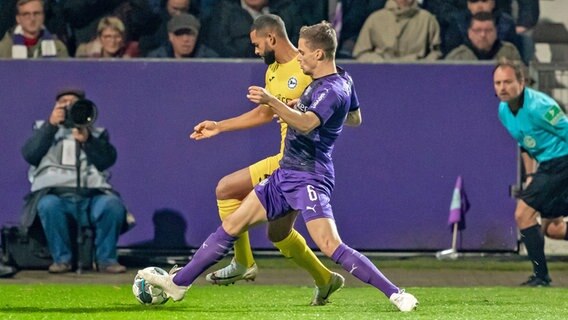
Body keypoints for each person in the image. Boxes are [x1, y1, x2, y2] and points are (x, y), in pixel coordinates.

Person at [140, 21, 418, 312]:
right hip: (285, 172)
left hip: (309, 176)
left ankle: (395, 293)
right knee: (232, 225)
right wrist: (305, 108)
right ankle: (180, 283)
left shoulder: (333, 88)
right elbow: (355, 118)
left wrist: (278, 103)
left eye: (303, 52)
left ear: (319, 55)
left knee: (330, 245)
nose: (298, 57)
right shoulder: (342, 81)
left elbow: (308, 124)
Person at [189, 14, 343, 306]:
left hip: (301, 163)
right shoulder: (272, 71)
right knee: (279, 233)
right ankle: (325, 279)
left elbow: (338, 95)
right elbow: (264, 113)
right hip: (287, 159)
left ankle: (243, 263)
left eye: (257, 44)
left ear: (271, 38)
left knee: (226, 188)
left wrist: (336, 116)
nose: (256, 50)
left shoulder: (308, 62)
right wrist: (219, 126)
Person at [21, 88, 131, 274]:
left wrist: (88, 140)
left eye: (74, 103)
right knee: (48, 205)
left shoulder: (96, 133)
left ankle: (106, 260)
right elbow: (30, 154)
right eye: (64, 103)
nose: (69, 107)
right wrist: (51, 125)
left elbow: (107, 160)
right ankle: (61, 260)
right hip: (55, 195)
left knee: (112, 205)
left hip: (91, 196)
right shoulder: (43, 128)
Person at [494, 59, 568, 287]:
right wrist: (529, 176)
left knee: (522, 214)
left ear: (522, 82)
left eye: (507, 82)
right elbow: (526, 144)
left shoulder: (541, 106)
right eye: (497, 83)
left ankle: (541, 277)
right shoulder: (504, 110)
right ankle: (541, 276)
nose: (502, 87)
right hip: (547, 166)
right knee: (553, 229)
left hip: (561, 161)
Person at [352, 0, 441, 62]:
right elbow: (361, 53)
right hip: (381, 76)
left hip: (417, 77)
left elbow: (436, 52)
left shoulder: (427, 19)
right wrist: (378, 62)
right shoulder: (375, 19)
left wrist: (422, 65)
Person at [0, 0, 68, 58]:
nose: (32, 19)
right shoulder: (3, 49)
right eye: (26, 14)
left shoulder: (58, 48)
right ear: (18, 19)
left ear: (43, 16)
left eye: (36, 13)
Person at [446, 12, 521, 62]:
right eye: (478, 30)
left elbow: (522, 80)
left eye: (488, 30)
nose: (483, 35)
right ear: (469, 33)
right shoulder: (457, 56)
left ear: (496, 32)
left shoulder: (509, 52)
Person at [146, 13, 218, 59]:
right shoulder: (156, 60)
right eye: (179, 33)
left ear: (197, 36)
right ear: (170, 37)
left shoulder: (210, 60)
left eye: (190, 34)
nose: (185, 39)